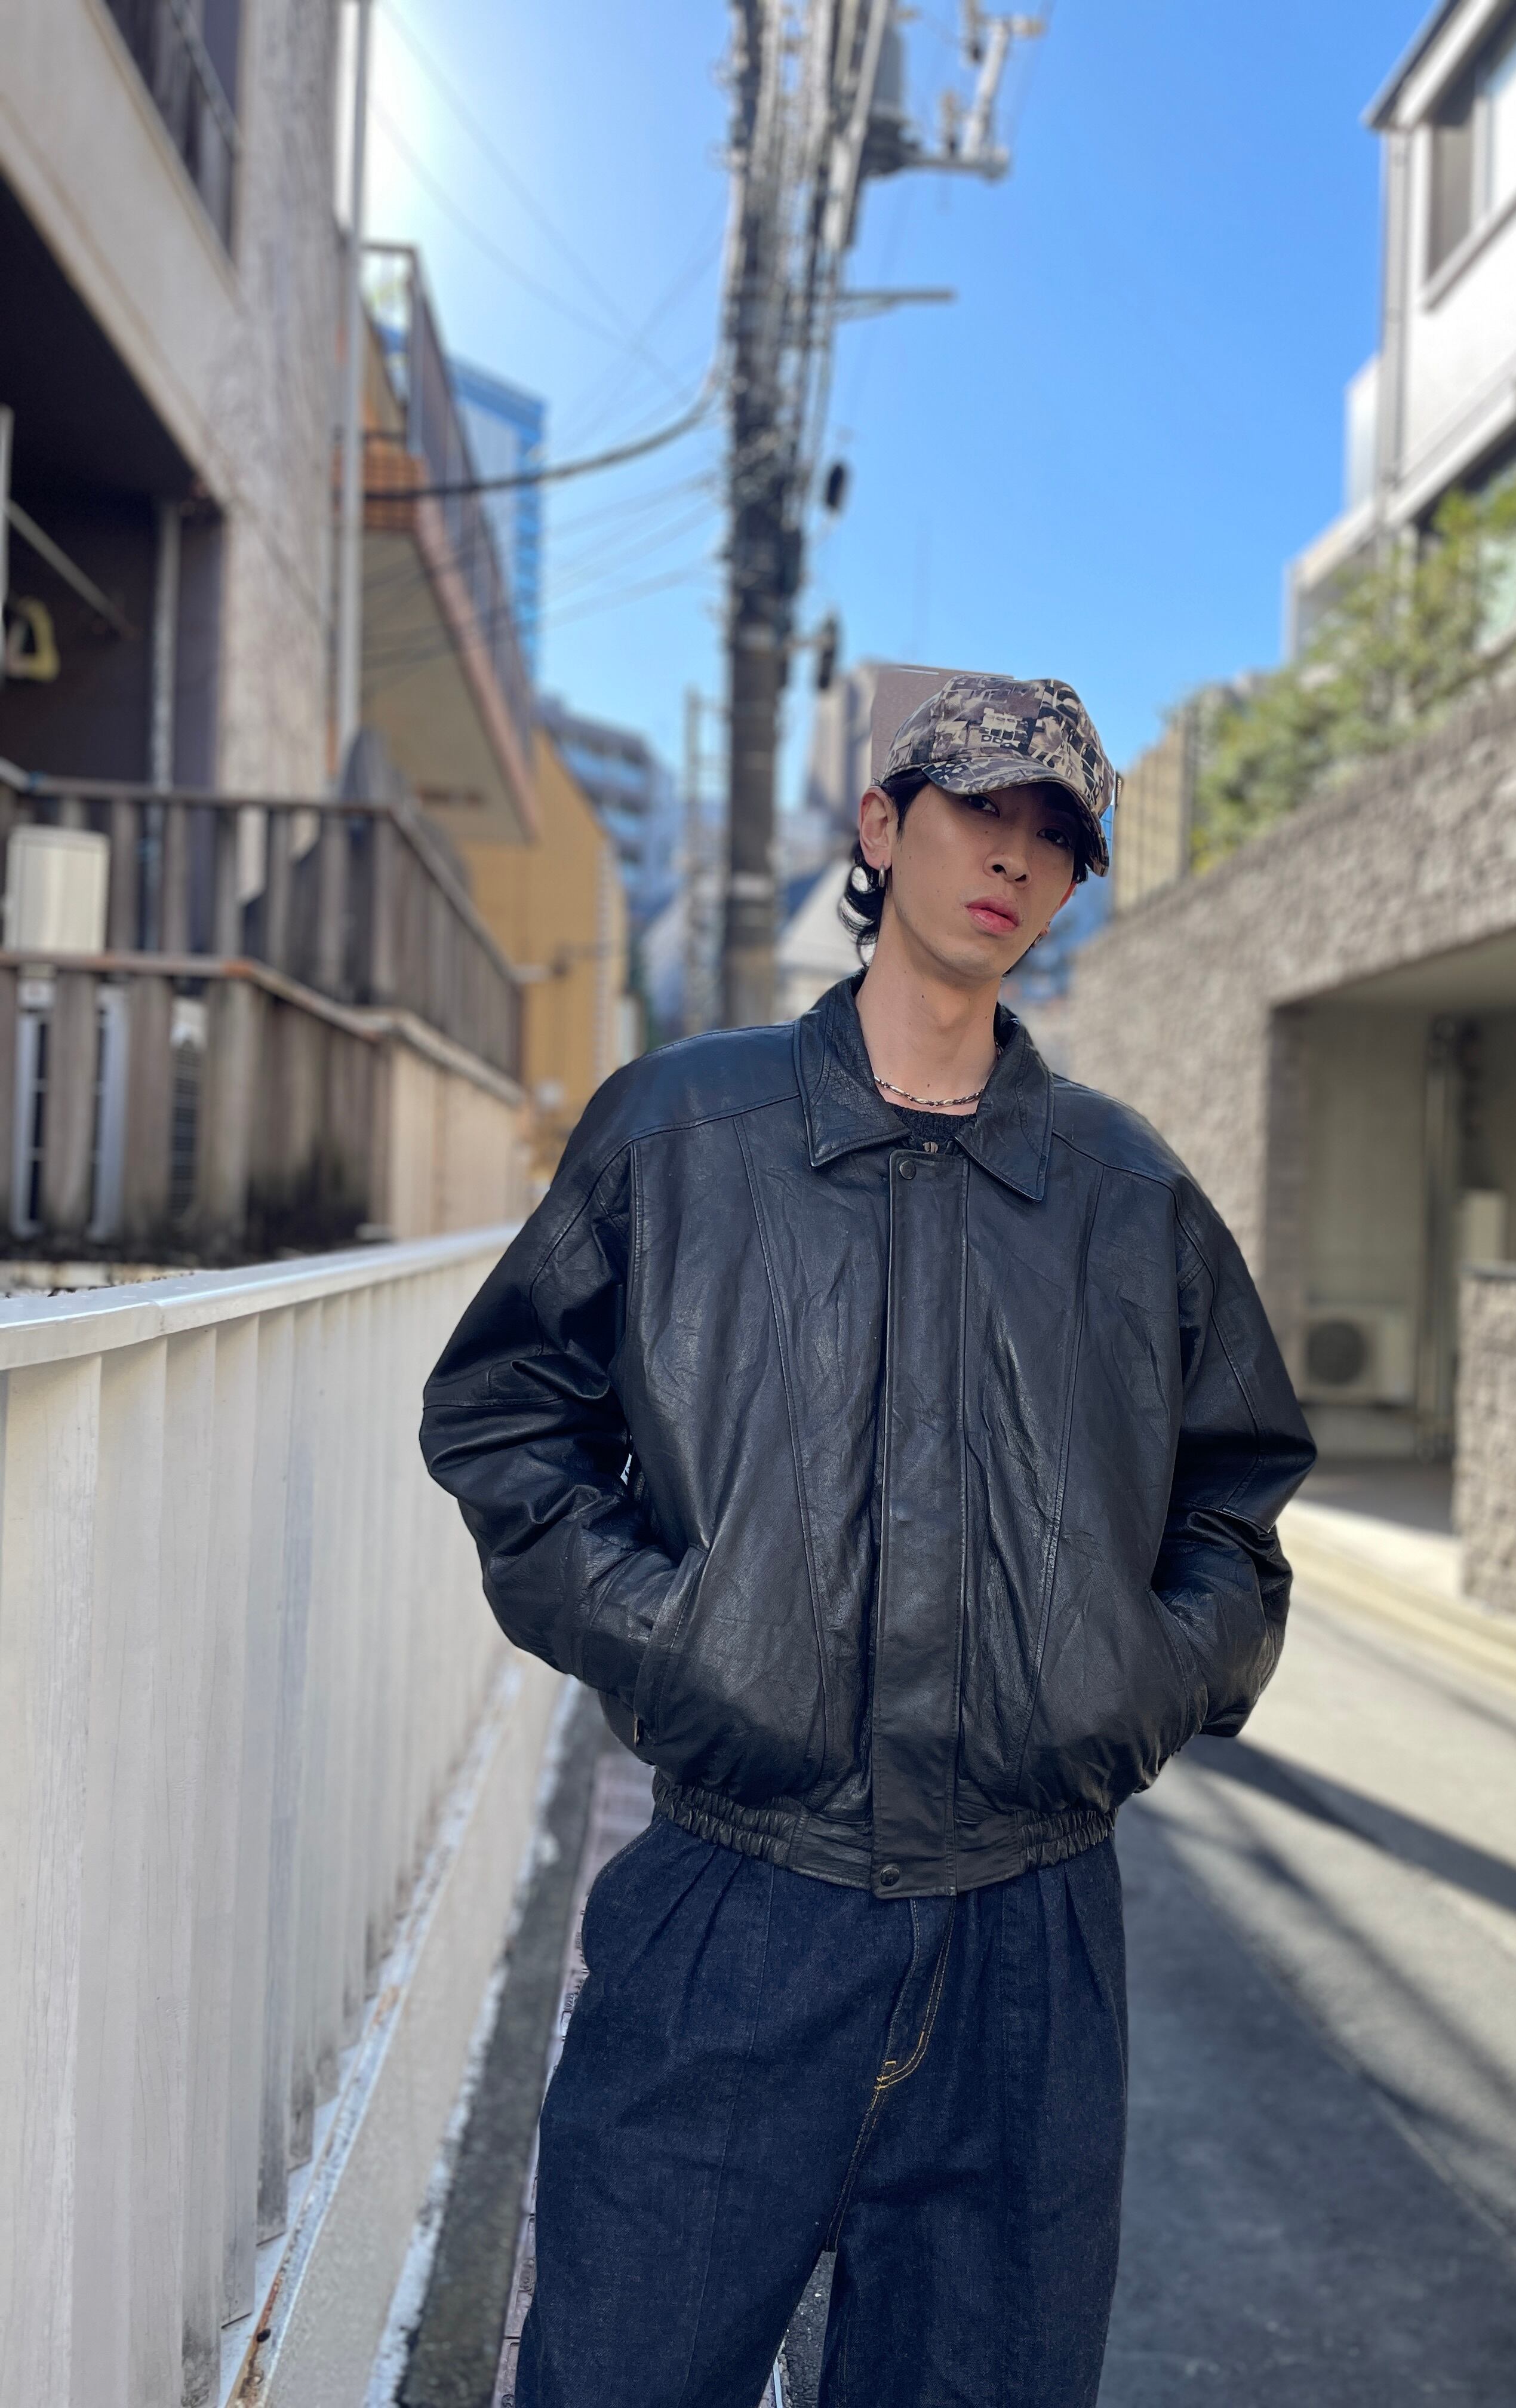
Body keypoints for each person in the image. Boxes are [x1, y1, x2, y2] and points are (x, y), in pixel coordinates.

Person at [420, 671, 1315, 2408]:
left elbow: (1239, 1496)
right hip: (738, 1904)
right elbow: (505, 1415)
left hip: (1030, 1951)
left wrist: (1132, 1683)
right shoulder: (686, 1130)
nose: (1015, 859)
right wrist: (682, 1637)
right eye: (981, 810)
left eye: (1057, 837)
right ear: (883, 825)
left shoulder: (1128, 1191)